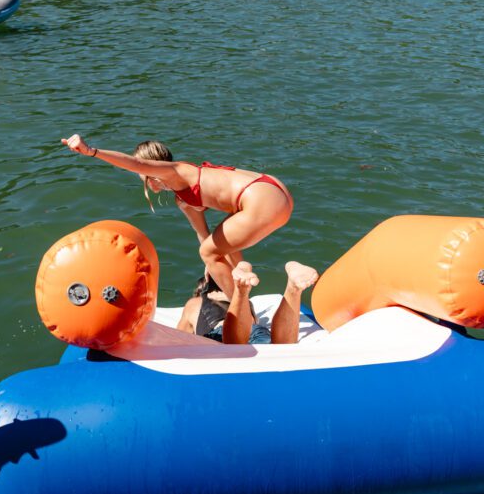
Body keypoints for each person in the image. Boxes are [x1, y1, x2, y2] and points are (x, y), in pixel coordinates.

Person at [61, 134, 293, 300]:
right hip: (271, 192)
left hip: (261, 198)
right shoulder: (183, 198)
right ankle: (240, 281)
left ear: (150, 170)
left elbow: (135, 163)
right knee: (213, 248)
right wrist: (214, 269)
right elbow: (204, 235)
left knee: (208, 252)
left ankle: (243, 313)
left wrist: (92, 151)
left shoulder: (176, 171)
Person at [178, 260, 318, 344]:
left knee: (235, 347)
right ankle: (293, 289)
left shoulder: (195, 303)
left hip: (223, 333)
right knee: (281, 348)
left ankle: (241, 290)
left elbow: (178, 340)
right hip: (253, 330)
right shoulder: (248, 305)